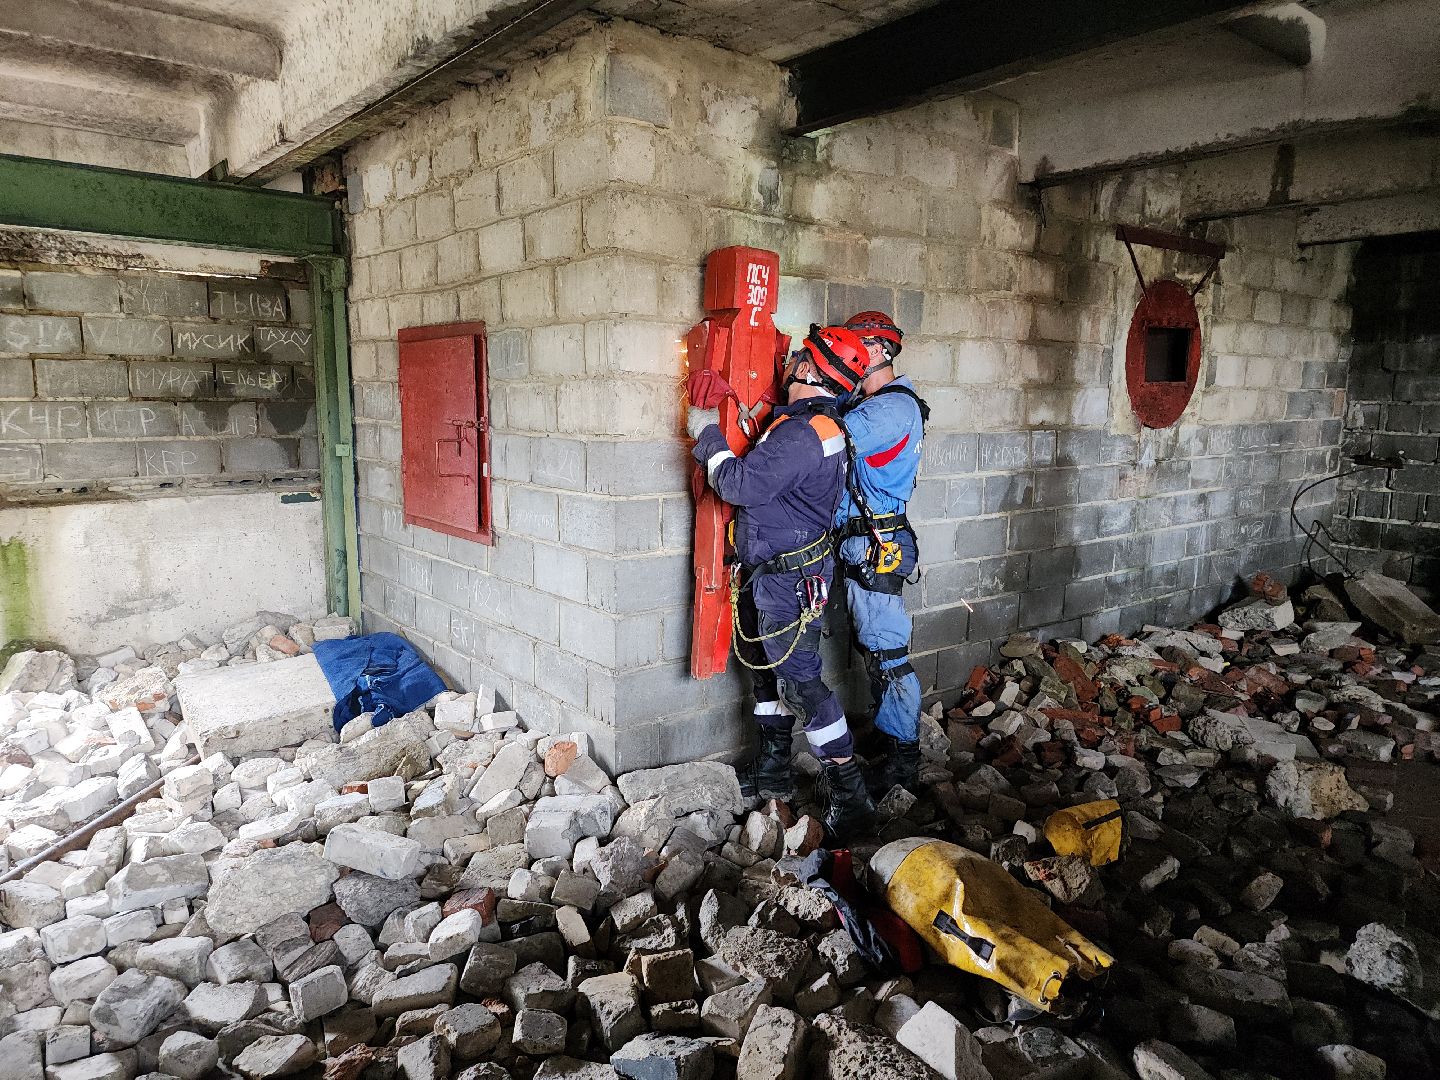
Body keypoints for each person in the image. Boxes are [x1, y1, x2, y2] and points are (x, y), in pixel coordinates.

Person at [687, 325, 876, 841]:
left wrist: (708, 434)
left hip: (788, 582)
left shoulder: (801, 435)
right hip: (776, 574)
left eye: (800, 357)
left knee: (800, 680)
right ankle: (773, 771)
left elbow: (738, 483)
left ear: (811, 371)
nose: (789, 360)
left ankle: (849, 794)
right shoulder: (811, 425)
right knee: (766, 675)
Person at [835, 310, 929, 794]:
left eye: (854, 348)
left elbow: (828, 441)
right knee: (874, 650)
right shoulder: (871, 402)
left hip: (876, 547)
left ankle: (903, 761)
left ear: (877, 351)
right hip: (864, 544)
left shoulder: (888, 410)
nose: (847, 358)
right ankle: (889, 735)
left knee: (888, 653)